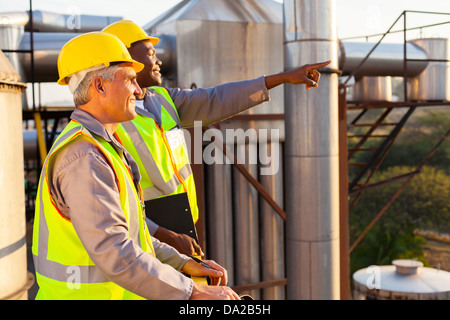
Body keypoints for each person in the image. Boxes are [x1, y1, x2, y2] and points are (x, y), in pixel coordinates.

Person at [32, 31, 239, 300]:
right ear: (100, 86)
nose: (139, 90)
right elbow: (115, 251)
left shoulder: (104, 148)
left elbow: (131, 233)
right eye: (130, 80)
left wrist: (181, 262)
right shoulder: (84, 158)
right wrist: (194, 291)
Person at [102, 20, 331, 256]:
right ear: (126, 60)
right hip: (144, 236)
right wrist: (160, 233)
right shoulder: (109, 119)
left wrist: (282, 78)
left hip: (181, 224)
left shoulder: (162, 99)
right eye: (150, 54)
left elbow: (217, 98)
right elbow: (110, 201)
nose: (159, 61)